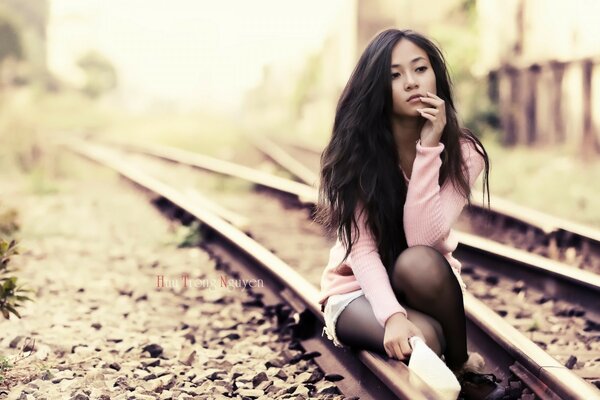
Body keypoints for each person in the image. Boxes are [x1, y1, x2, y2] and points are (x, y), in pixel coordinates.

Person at [315, 29, 506, 400]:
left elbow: (422, 239)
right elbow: (364, 250)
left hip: (420, 281)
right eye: (394, 74)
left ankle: (461, 365)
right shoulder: (358, 156)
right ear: (376, 87)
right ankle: (443, 357)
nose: (411, 82)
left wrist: (429, 146)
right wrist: (393, 317)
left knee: (420, 260)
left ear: (435, 75)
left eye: (420, 69)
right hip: (355, 292)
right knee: (426, 339)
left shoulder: (464, 154)